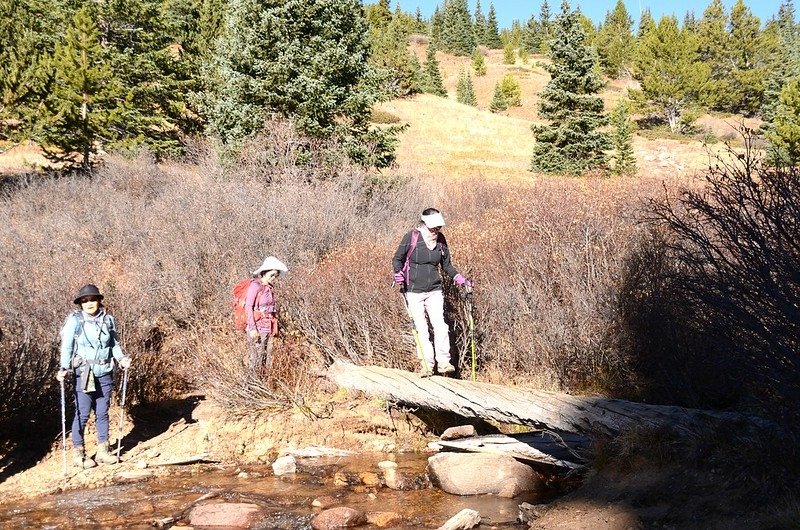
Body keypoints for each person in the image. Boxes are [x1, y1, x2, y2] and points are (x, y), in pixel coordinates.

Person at [56, 284, 131, 469]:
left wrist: (121, 358)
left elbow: (113, 343)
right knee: (82, 413)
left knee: (102, 412)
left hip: (105, 371)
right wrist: (64, 367)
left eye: (92, 299)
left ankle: (104, 451)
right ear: (80, 304)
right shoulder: (75, 320)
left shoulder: (108, 320)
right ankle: (78, 454)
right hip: (85, 372)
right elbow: (67, 346)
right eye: (85, 300)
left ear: (99, 301)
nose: (89, 303)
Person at [392, 208, 471, 377]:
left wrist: (460, 279)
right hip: (413, 291)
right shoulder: (411, 237)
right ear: (425, 224)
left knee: (441, 326)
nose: (436, 231)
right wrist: (398, 273)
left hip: (435, 290)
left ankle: (443, 362)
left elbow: (447, 265)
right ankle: (427, 365)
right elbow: (397, 258)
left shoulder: (441, 240)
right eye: (434, 228)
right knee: (421, 328)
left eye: (439, 228)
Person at [246, 256, 288, 371]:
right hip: (257, 326)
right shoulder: (255, 286)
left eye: (276, 275)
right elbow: (249, 306)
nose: (274, 278)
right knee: (256, 358)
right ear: (264, 272)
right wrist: (252, 328)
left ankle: (264, 383)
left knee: (267, 357)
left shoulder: (269, 288)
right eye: (272, 275)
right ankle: (252, 384)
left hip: (268, 327)